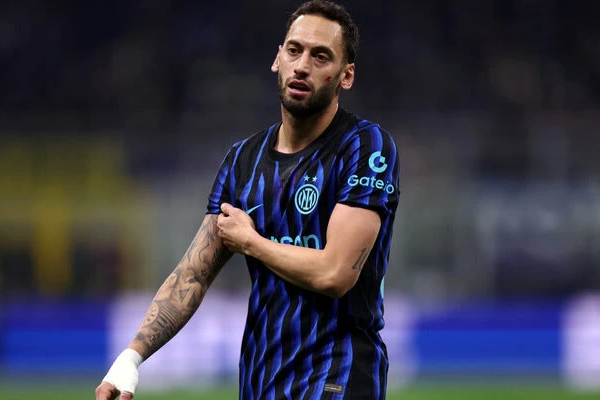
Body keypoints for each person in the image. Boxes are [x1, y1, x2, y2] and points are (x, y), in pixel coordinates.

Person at [95, 1, 400, 399]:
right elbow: (193, 275)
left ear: (346, 76)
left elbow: (335, 274)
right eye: (294, 51)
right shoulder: (243, 161)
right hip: (261, 380)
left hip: (337, 375)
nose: (302, 66)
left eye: (320, 56)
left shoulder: (365, 147)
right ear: (277, 59)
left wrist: (252, 243)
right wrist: (130, 359)